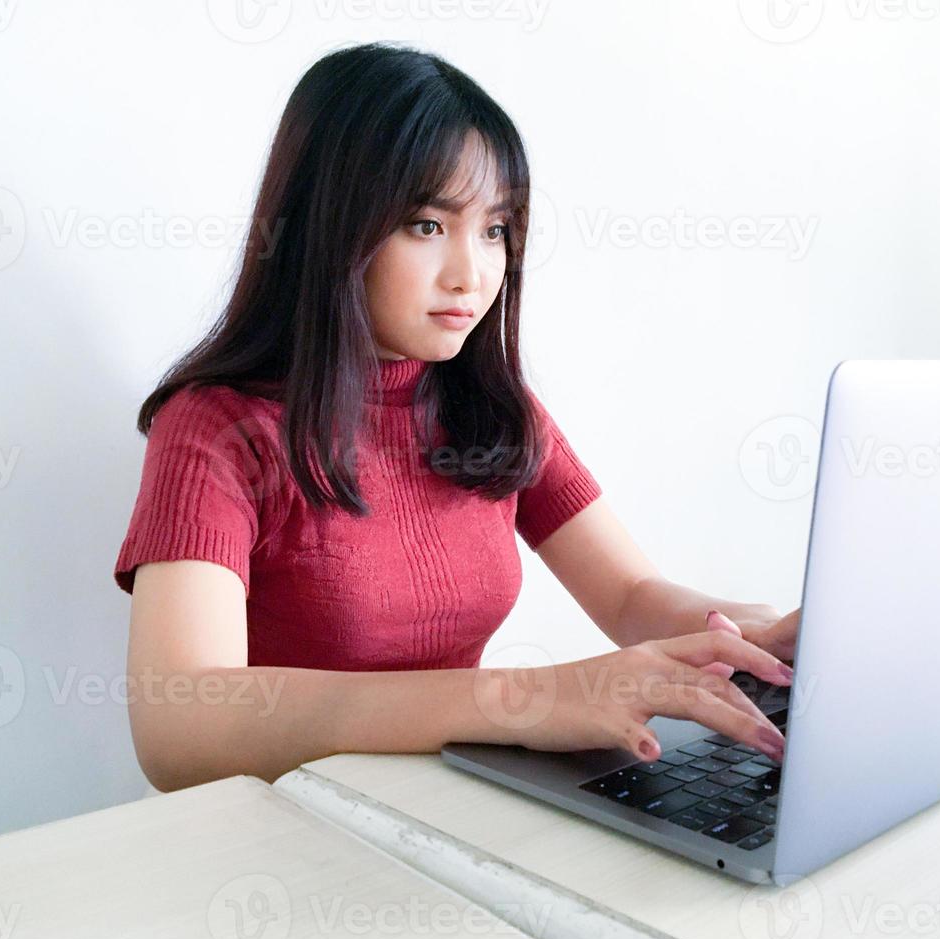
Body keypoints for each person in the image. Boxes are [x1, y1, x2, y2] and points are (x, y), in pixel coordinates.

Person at [113, 42, 800, 793]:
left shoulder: (488, 408)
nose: (471, 273)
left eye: (495, 229)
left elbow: (631, 597)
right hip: (284, 842)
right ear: (327, 224)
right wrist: (524, 699)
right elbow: (179, 725)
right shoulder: (215, 429)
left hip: (453, 811)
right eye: (427, 225)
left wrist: (753, 640)